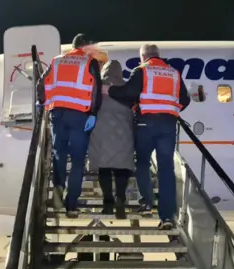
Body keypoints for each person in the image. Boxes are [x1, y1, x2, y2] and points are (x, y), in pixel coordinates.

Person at [103, 44, 190, 230]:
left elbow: (128, 92)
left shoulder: (142, 70)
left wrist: (108, 91)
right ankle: (167, 217)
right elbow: (185, 99)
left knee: (142, 162)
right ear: (158, 55)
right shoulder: (173, 72)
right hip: (168, 125)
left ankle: (148, 202)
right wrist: (171, 111)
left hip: (146, 124)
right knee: (166, 169)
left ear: (143, 57)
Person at [36, 33, 102, 218]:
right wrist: (94, 113)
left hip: (57, 114)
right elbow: (95, 90)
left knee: (59, 156)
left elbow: (41, 85)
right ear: (84, 46)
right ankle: (71, 204)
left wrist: (43, 103)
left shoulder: (56, 61)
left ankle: (57, 198)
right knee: (78, 161)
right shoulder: (89, 62)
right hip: (80, 116)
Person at [88, 60, 134, 219]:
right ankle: (120, 198)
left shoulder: (97, 87)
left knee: (104, 168)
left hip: (101, 132)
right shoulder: (127, 88)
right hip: (123, 133)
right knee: (122, 168)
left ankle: (108, 201)